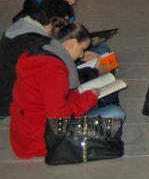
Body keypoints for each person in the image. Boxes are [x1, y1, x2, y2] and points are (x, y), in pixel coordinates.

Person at [10, 22, 126, 159]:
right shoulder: (54, 71)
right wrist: (89, 97)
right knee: (116, 114)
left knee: (99, 104)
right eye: (82, 49)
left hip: (27, 135)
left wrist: (82, 96)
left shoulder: (44, 55)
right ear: (72, 44)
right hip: (44, 140)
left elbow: (55, 99)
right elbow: (59, 119)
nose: (82, 55)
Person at [1, 0, 73, 117]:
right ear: (53, 23)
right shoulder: (43, 45)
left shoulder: (16, 28)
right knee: (113, 115)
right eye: (63, 26)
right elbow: (72, 83)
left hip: (8, 101)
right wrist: (95, 71)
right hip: (21, 111)